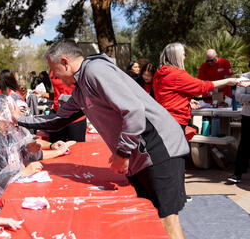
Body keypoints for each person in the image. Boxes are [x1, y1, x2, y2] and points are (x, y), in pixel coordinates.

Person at [15, 39, 191, 239]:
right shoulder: (81, 88)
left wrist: (122, 152)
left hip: (160, 148)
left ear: (65, 62)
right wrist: (19, 120)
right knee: (148, 219)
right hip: (142, 156)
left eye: (54, 69)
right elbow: (58, 119)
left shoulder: (95, 70)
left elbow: (133, 111)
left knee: (166, 220)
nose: (53, 75)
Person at [0, 93, 71, 194]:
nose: (18, 112)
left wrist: (28, 151)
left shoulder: (8, 134)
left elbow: (18, 160)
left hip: (15, 192)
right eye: (13, 108)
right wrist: (22, 173)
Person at [153, 43, 238, 130]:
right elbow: (202, 86)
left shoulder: (160, 73)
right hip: (176, 120)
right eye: (183, 54)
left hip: (164, 118)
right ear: (176, 56)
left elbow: (168, 95)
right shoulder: (177, 75)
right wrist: (228, 81)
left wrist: (187, 101)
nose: (184, 57)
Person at [33, 71, 87, 143]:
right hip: (58, 116)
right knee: (55, 148)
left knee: (77, 150)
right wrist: (42, 94)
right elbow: (57, 96)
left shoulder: (75, 69)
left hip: (75, 117)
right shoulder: (53, 71)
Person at [227, 72, 250, 183]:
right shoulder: (244, 78)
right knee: (244, 145)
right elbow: (238, 96)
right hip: (248, 115)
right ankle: (238, 173)